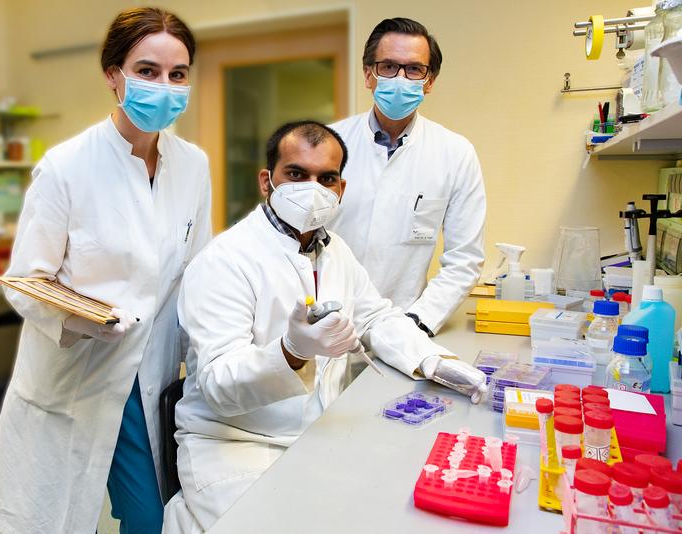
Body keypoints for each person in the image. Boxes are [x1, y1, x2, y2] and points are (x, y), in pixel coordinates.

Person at [162, 121, 486, 533]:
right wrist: (291, 352)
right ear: (268, 181)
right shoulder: (224, 261)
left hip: (314, 435)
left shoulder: (333, 251)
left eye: (326, 178)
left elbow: (376, 317)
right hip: (235, 445)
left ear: (340, 189)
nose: (312, 188)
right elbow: (218, 387)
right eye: (296, 174)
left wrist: (433, 361)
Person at [0, 7, 211, 534]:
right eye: (147, 71)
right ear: (113, 76)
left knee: (149, 518)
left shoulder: (193, 164)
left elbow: (196, 271)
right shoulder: (66, 167)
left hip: (149, 371)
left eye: (177, 74)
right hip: (76, 371)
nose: (164, 86)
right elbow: (27, 280)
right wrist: (83, 319)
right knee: (60, 516)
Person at [329, 17, 486, 336]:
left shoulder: (456, 153)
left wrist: (416, 322)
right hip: (327, 320)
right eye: (388, 66)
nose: (400, 78)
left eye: (414, 69)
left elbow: (464, 259)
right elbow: (297, 237)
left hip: (403, 324)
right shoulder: (329, 143)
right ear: (368, 74)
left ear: (429, 81)